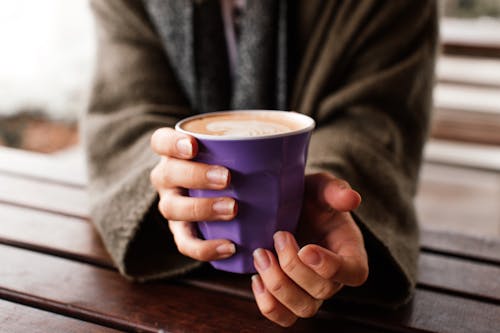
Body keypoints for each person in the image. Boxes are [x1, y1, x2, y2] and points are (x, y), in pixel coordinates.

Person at [84, 0, 438, 327]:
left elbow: (377, 119)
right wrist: (169, 177)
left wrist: (320, 189)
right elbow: (126, 111)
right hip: (177, 285)